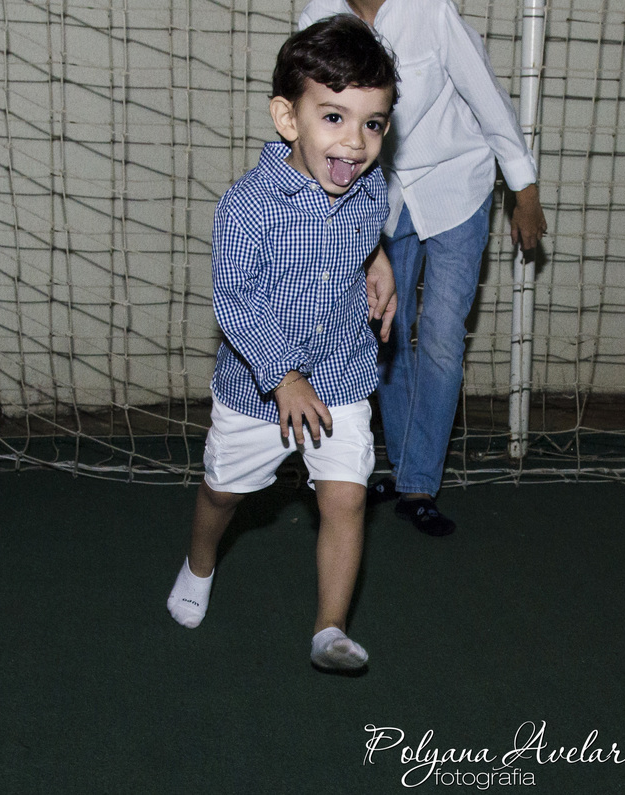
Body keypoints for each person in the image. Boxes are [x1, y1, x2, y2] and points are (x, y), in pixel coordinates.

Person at [166, 15, 399, 673]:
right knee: (223, 493)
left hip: (342, 374)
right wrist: (283, 376)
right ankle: (199, 562)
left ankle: (330, 629)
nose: (354, 141)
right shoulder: (248, 206)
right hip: (257, 391)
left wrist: (378, 258)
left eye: (373, 124)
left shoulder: (368, 187)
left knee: (346, 496)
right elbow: (235, 301)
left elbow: (364, 232)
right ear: (287, 118)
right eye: (334, 117)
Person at [299, 0, 548, 537]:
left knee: (440, 335)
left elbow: (487, 97)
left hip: (458, 183)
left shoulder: (430, 10)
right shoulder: (317, 15)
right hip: (375, 191)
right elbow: (304, 114)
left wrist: (523, 189)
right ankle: (405, 464)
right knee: (385, 327)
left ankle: (419, 484)